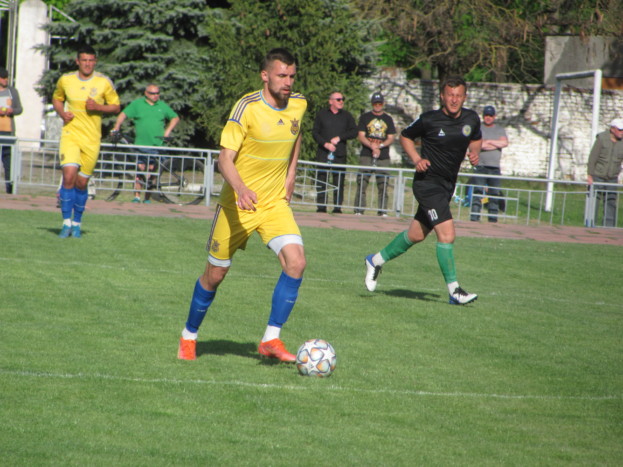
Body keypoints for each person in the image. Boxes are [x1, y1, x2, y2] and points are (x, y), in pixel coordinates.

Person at [177, 48, 307, 362]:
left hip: (274, 204)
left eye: (291, 76)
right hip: (236, 206)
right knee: (215, 275)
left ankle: (270, 339)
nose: (288, 82)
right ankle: (188, 337)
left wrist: (291, 174)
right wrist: (241, 189)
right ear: (265, 75)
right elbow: (225, 159)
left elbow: (296, 133)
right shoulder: (246, 107)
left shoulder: (299, 103)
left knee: (296, 262)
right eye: (281, 75)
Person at [364, 76, 481, 305]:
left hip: (446, 186)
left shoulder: (471, 119)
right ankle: (455, 291)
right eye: (450, 95)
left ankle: (375, 261)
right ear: (442, 96)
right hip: (427, 184)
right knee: (447, 234)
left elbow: (475, 139)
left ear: (464, 97)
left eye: (458, 95)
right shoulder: (430, 119)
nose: (454, 99)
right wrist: (417, 159)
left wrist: (474, 152)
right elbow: (405, 136)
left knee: (416, 235)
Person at [52, 45, 120, 238]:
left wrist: (98, 107)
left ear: (95, 62)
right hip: (70, 135)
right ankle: (66, 223)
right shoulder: (66, 80)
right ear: (77, 61)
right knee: (69, 176)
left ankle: (77, 223)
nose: (88, 64)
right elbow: (57, 99)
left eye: (91, 60)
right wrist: (62, 113)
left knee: (82, 183)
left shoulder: (103, 81)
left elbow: (116, 106)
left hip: (91, 139)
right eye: (84, 60)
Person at [111, 84, 180, 203]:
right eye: (152, 93)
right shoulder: (137, 104)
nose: (155, 95)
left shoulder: (162, 105)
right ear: (146, 93)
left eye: (157, 93)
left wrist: (167, 132)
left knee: (152, 173)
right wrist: (116, 127)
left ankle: (147, 198)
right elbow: (123, 114)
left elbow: (175, 118)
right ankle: (137, 197)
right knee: (139, 171)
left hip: (157, 145)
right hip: (141, 145)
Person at [312, 91, 357, 213]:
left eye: (342, 99)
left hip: (339, 154)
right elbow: (315, 132)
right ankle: (321, 206)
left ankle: (337, 207)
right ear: (330, 101)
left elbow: (354, 131)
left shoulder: (347, 116)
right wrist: (325, 144)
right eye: (338, 99)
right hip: (323, 152)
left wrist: (340, 137)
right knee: (322, 179)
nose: (341, 101)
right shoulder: (322, 114)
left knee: (339, 180)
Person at [354, 92, 396, 216]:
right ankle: (359, 209)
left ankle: (382, 211)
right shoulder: (365, 117)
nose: (377, 105)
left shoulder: (388, 119)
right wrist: (371, 145)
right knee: (362, 182)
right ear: (372, 104)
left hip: (383, 156)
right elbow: (361, 135)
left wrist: (380, 146)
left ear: (383, 104)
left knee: (383, 184)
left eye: (380, 103)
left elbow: (391, 137)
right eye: (375, 103)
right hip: (366, 154)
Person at [469, 105, 508, 222]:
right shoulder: (478, 129)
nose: (488, 117)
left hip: (495, 168)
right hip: (480, 166)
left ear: (494, 116)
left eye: (490, 115)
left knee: (494, 193)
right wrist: (495, 144)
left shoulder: (500, 130)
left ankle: (492, 219)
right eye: (486, 115)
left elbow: (504, 143)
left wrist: (488, 141)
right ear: (483, 116)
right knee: (477, 192)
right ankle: (474, 217)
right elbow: (477, 144)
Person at [587, 118, 623, 227]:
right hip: (598, 175)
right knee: (594, 200)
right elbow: (593, 157)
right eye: (620, 129)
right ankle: (590, 224)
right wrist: (589, 175)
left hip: (612, 177)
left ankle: (608, 227)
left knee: (611, 201)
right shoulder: (602, 138)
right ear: (612, 129)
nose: (622, 132)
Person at [0, 67, 23, 194]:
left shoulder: (12, 92)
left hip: (8, 132)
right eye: (3, 78)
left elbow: (19, 109)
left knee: (8, 162)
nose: (5, 80)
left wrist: (12, 110)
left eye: (7, 78)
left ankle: (10, 189)